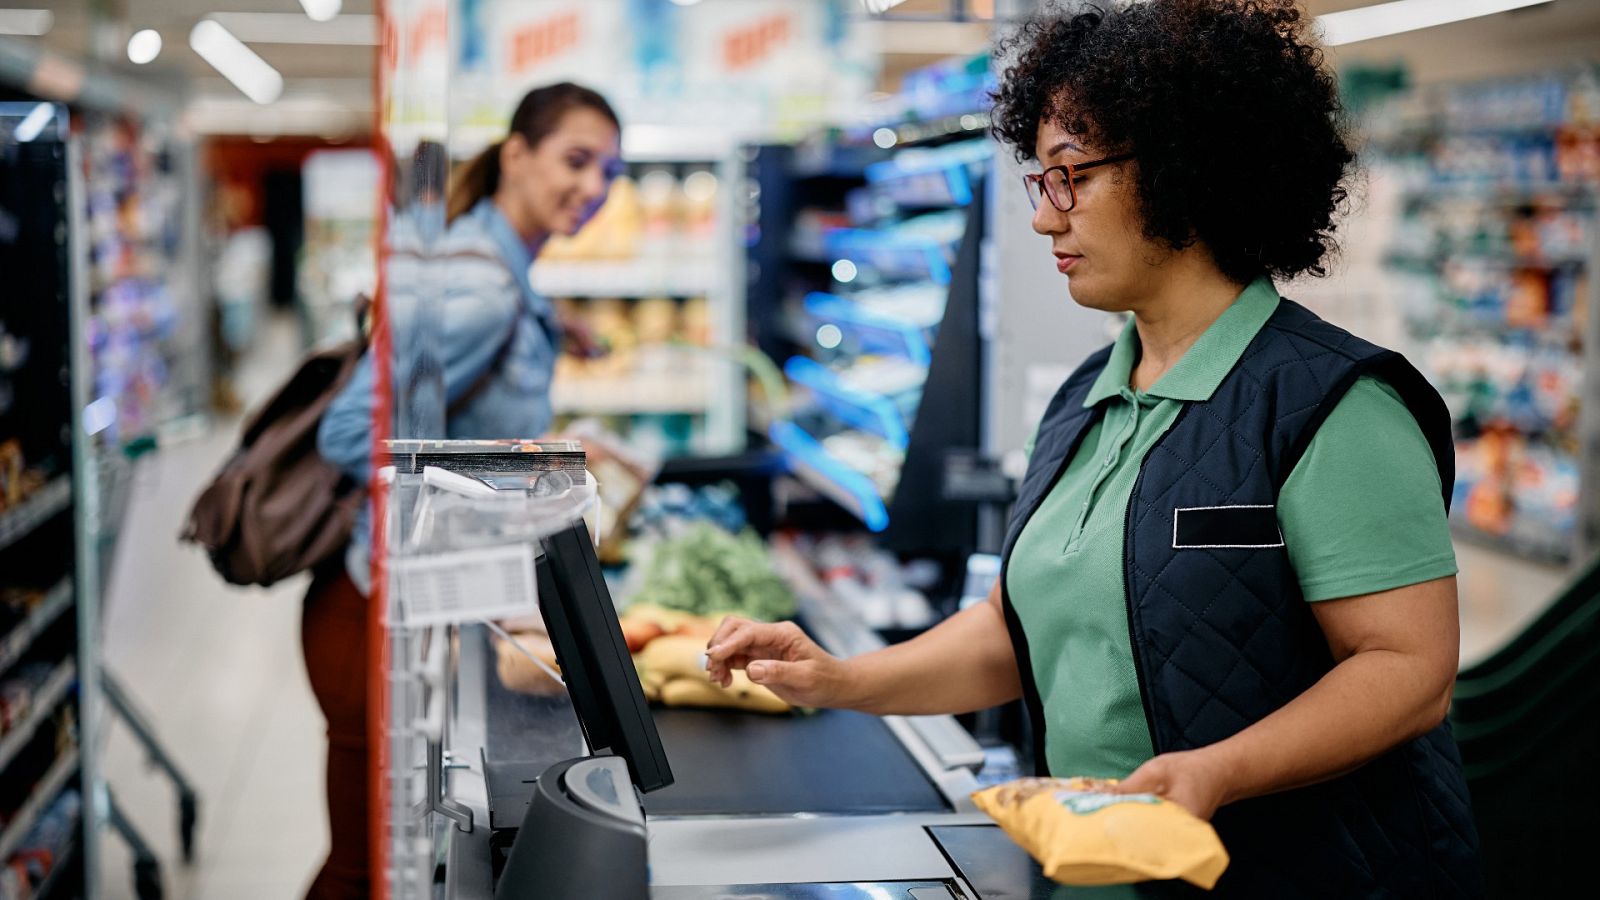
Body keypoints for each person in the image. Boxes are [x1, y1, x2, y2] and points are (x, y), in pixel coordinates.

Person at [706, 2, 1482, 895]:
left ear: (1188, 170)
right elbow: (1013, 627)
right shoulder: (1087, 397)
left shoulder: (1332, 405)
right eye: (1041, 180)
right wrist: (839, 678)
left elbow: (1408, 670)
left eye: (1071, 176)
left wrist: (1218, 770)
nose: (1046, 219)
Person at [307, 83, 622, 900]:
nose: (593, 189)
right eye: (576, 162)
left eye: (610, 173)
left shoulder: (497, 263)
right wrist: (524, 470)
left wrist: (555, 335)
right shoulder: (484, 285)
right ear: (516, 153)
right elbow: (346, 436)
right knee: (357, 875)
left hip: (409, 614)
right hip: (372, 622)